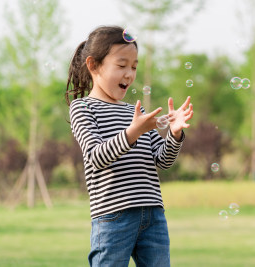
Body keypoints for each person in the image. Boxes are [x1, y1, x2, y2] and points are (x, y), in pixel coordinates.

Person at [65, 25, 193, 267]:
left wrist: (174, 135)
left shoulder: (134, 112)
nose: (129, 74)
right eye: (121, 65)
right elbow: (96, 156)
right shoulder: (83, 108)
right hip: (114, 216)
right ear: (93, 65)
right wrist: (133, 132)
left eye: (134, 67)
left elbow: (162, 160)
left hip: (152, 213)